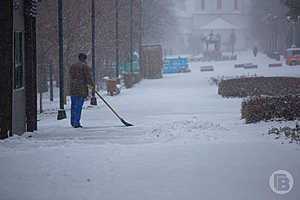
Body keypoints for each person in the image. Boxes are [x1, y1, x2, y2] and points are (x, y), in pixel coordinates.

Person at [69, 53, 94, 128]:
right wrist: (92, 85)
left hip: (73, 88)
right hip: (81, 89)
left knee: (73, 106)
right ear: (84, 59)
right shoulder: (85, 66)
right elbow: (88, 77)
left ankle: (73, 122)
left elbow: (70, 75)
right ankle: (76, 122)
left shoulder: (73, 66)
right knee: (78, 106)